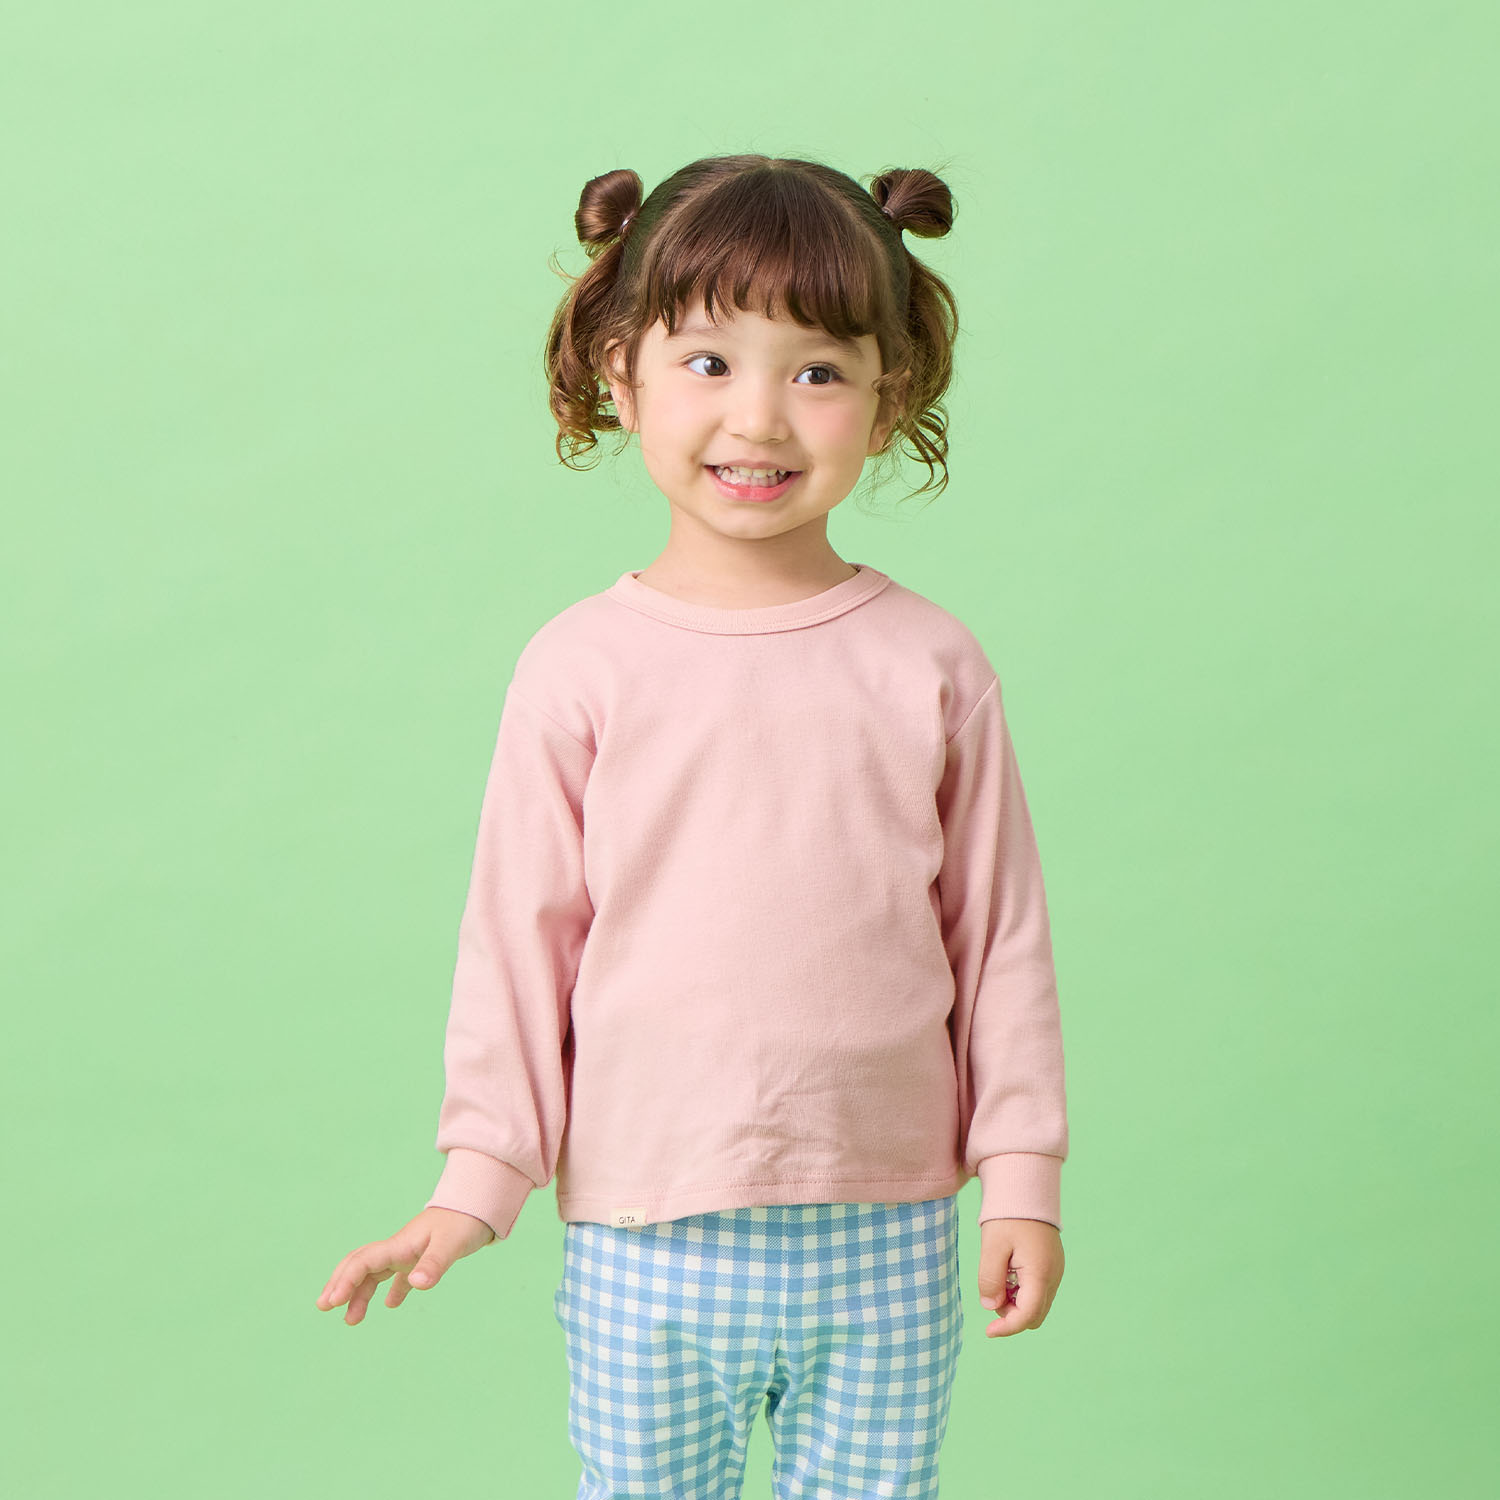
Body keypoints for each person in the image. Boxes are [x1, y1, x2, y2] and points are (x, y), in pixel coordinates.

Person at [316, 152, 1069, 1498]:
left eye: (818, 370)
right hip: (643, 1232)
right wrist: (475, 1182)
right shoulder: (580, 668)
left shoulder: (933, 664)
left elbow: (999, 938)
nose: (760, 418)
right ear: (622, 376)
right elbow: (520, 942)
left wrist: (1020, 1175)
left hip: (887, 1229)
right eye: (709, 363)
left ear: (891, 393)